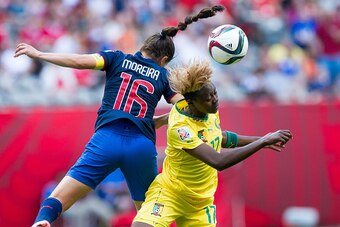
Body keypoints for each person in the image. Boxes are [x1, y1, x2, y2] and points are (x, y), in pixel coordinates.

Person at [13, 5, 226, 227]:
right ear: (164, 59)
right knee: (149, 218)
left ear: (143, 47)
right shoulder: (163, 76)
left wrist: (38, 54)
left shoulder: (116, 58)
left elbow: (79, 61)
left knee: (58, 199)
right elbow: (185, 106)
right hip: (141, 148)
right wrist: (163, 120)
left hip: (107, 139)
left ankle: (43, 221)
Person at [132, 59, 293, 227]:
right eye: (208, 98)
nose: (215, 100)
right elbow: (218, 161)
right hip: (171, 194)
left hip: (200, 204)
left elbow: (220, 137)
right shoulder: (181, 129)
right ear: (191, 102)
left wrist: (261, 139)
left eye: (215, 93)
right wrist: (262, 142)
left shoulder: (208, 111)